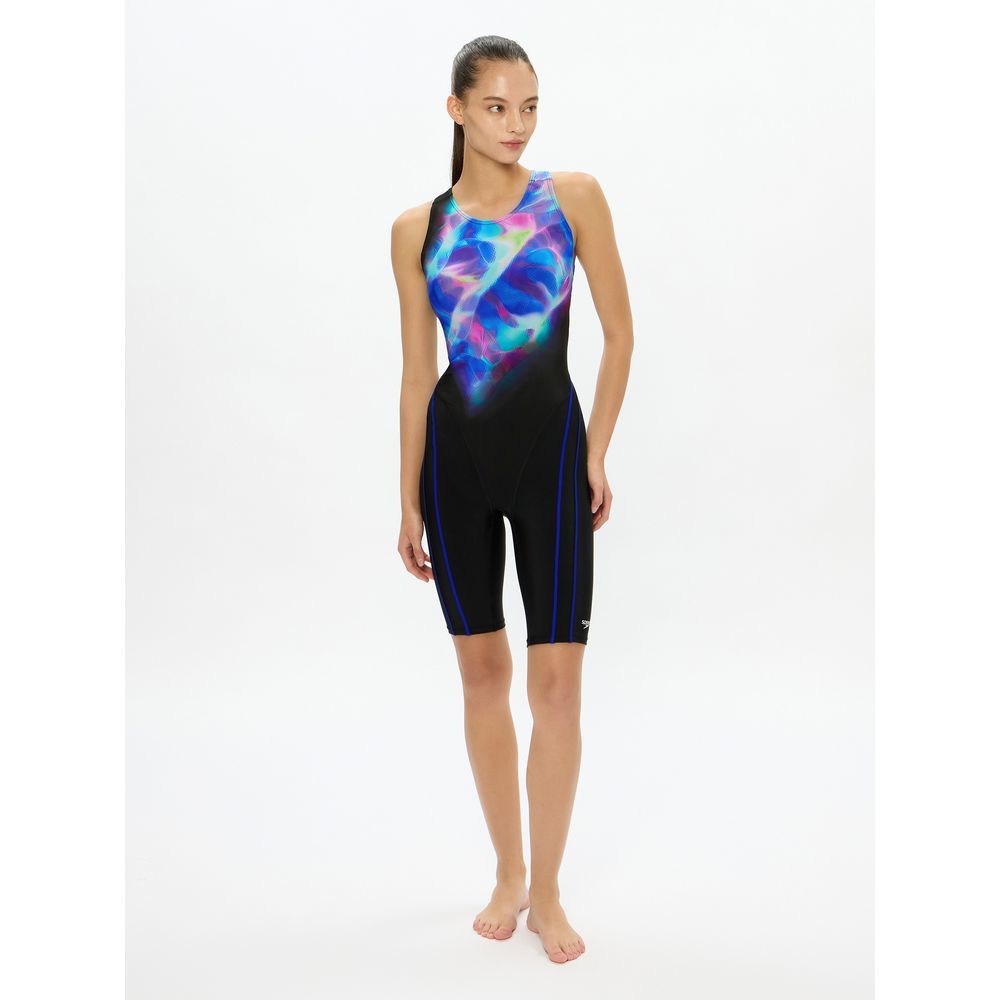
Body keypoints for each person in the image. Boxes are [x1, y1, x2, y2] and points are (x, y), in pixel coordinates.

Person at [391, 35, 633, 964]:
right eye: (496, 107)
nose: (516, 125)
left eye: (529, 106)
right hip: (456, 466)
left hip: (552, 461)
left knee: (558, 683)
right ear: (457, 109)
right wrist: (407, 497)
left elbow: (620, 335)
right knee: (483, 676)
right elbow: (418, 376)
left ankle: (551, 890)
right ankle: (508, 872)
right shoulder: (418, 229)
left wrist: (597, 452)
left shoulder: (571, 199)